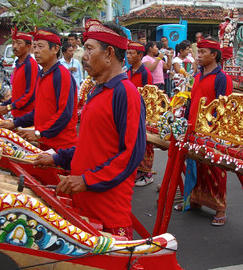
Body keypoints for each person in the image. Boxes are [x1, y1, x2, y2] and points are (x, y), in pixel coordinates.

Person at [33, 19, 146, 240]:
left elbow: (131, 154)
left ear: (109, 53)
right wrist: (58, 157)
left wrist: (87, 180)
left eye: (90, 48)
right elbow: (91, 145)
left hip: (108, 213)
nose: (83, 55)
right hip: (84, 203)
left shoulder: (126, 93)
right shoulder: (97, 91)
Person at [175, 37, 233, 227]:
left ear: (214, 55)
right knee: (195, 167)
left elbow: (222, 107)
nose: (198, 56)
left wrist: (211, 129)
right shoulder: (198, 75)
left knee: (215, 170)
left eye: (202, 52)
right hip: (193, 128)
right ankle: (195, 200)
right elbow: (192, 99)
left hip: (211, 132)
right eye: (197, 52)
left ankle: (220, 208)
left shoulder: (222, 78)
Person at [0, 28, 77, 151]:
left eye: (40, 46)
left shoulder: (62, 74)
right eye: (35, 46)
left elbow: (64, 113)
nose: (36, 51)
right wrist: (15, 123)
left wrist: (39, 133)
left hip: (60, 146)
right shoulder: (42, 74)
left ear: (55, 49)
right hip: (45, 142)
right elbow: (38, 111)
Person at [0, 28, 38, 118]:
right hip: (18, 114)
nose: (15, 46)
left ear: (28, 46)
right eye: (13, 43)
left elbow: (30, 95)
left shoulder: (31, 64)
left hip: (27, 116)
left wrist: (8, 107)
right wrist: (2, 105)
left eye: (18, 43)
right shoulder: (18, 64)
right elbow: (17, 96)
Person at [126, 41, 154, 186]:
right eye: (128, 53)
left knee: (145, 143)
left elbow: (148, 97)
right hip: (130, 111)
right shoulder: (128, 71)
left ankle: (147, 174)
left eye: (132, 53)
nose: (128, 56)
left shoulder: (145, 73)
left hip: (142, 112)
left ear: (140, 56)